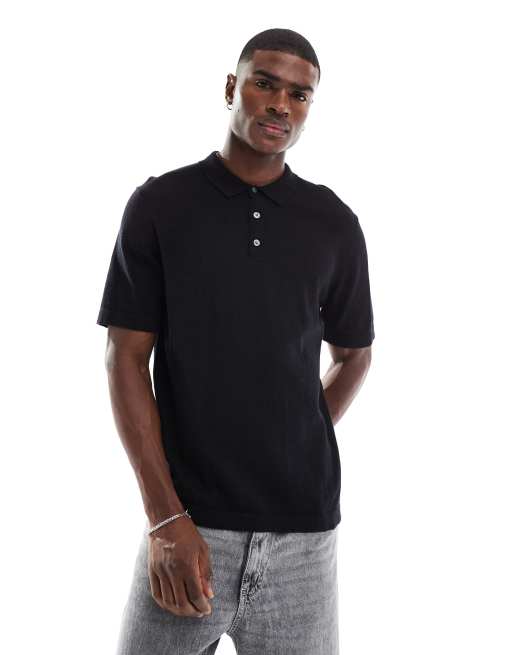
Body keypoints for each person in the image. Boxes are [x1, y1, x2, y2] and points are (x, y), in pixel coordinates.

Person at [97, 27, 375, 655]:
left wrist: (299, 430)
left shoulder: (333, 222)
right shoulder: (161, 205)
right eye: (265, 84)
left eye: (299, 95)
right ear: (232, 87)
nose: (281, 104)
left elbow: (354, 355)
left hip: (304, 541)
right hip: (190, 527)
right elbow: (125, 358)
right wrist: (165, 518)